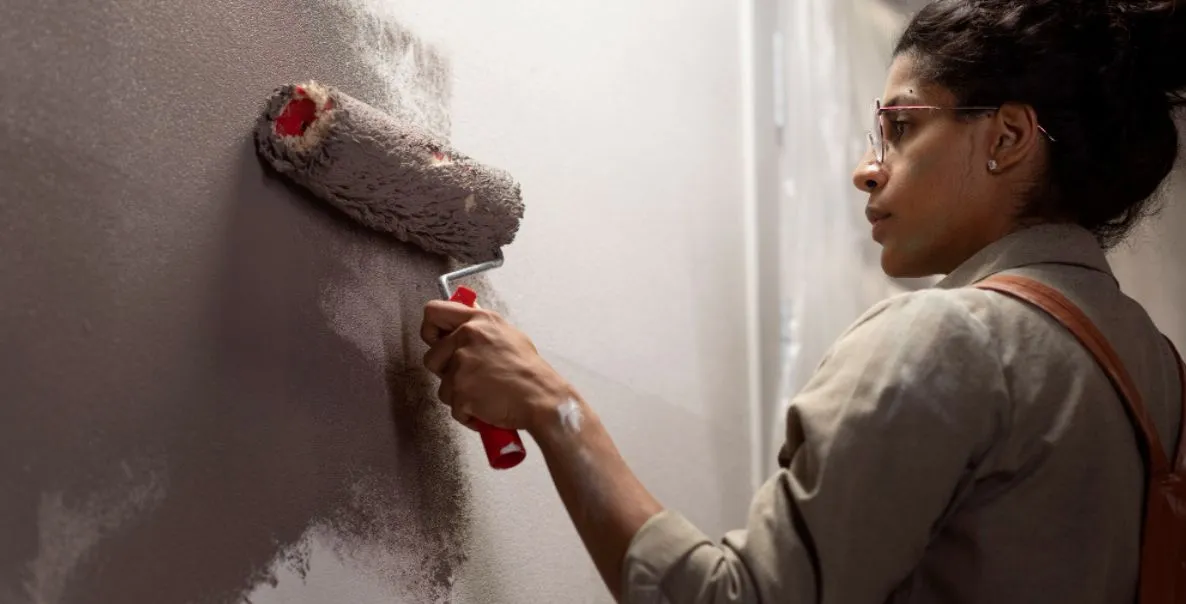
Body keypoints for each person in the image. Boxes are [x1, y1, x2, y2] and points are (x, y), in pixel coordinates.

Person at [419, 0, 1186, 601]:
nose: (867, 168)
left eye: (900, 127)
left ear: (1009, 138)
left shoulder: (954, 341)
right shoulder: (1161, 380)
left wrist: (553, 408)